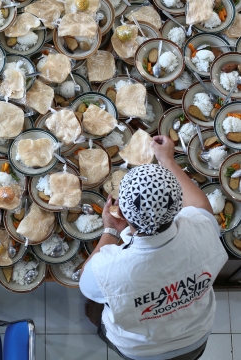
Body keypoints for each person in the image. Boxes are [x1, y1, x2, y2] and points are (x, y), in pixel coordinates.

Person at [79, 135, 228, 360]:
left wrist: (110, 231)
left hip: (141, 351)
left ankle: (100, 329)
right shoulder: (202, 229)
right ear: (178, 205)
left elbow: (86, 282)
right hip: (195, 338)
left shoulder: (111, 269)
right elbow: (200, 206)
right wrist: (167, 160)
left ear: (123, 214)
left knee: (94, 308)